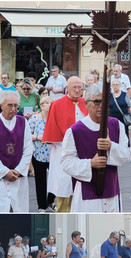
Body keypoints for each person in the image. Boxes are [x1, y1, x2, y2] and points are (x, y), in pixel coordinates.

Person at [61, 85, 131, 212]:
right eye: (97, 102)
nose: (101, 106)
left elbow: (126, 155)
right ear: (86, 103)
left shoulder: (116, 125)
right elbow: (66, 162)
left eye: (104, 102)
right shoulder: (75, 131)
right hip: (86, 193)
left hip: (111, 189)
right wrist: (90, 163)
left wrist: (111, 147)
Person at [0, 91, 33, 212]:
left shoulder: (23, 122)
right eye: (10, 105)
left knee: (19, 209)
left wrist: (18, 170)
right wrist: (4, 172)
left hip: (17, 175)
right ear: (1, 105)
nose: (13, 109)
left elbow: (28, 148)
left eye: (16, 105)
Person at [43, 76, 88, 212]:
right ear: (66, 88)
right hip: (62, 150)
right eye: (74, 87)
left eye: (79, 87)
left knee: (81, 189)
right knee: (64, 186)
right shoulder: (57, 104)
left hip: (84, 152)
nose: (77, 90)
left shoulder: (86, 103)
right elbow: (53, 129)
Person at [29, 96, 56, 213]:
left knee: (55, 179)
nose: (49, 105)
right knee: (40, 181)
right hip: (39, 153)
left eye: (51, 103)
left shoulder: (55, 118)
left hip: (53, 154)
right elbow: (27, 135)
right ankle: (42, 206)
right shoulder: (34, 118)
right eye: (47, 103)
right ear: (41, 105)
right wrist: (37, 137)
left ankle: (50, 200)